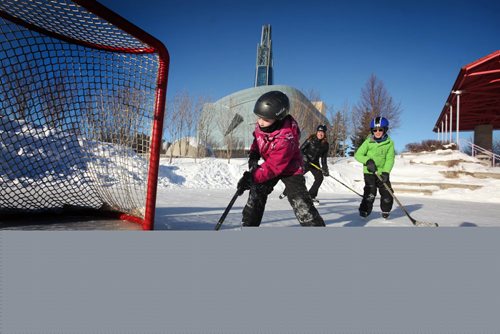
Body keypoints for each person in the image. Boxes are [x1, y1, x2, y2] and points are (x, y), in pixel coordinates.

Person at [236, 90, 325, 227]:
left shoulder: (286, 138)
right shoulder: (262, 124)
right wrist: (254, 155)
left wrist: (252, 177)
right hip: (272, 165)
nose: (260, 122)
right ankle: (248, 225)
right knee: (257, 192)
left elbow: (273, 166)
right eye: (259, 117)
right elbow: (258, 140)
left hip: (290, 169)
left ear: (278, 117)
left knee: (301, 204)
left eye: (265, 119)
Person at [354, 116, 395, 219]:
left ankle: (386, 210)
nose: (377, 132)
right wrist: (367, 161)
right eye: (375, 130)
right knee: (370, 193)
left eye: (380, 129)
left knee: (387, 193)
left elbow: (390, 159)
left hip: (382, 172)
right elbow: (358, 155)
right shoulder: (368, 142)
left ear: (385, 129)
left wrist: (386, 172)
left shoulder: (389, 143)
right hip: (369, 172)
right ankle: (364, 211)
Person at [300, 124, 330, 204]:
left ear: (324, 134)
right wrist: (304, 157)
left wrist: (325, 168)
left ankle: (311, 196)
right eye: (319, 132)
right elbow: (301, 149)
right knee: (297, 176)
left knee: (319, 178)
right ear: (316, 132)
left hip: (314, 164)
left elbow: (324, 158)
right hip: (305, 161)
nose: (320, 134)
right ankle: (291, 190)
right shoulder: (310, 139)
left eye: (322, 132)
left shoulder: (325, 145)